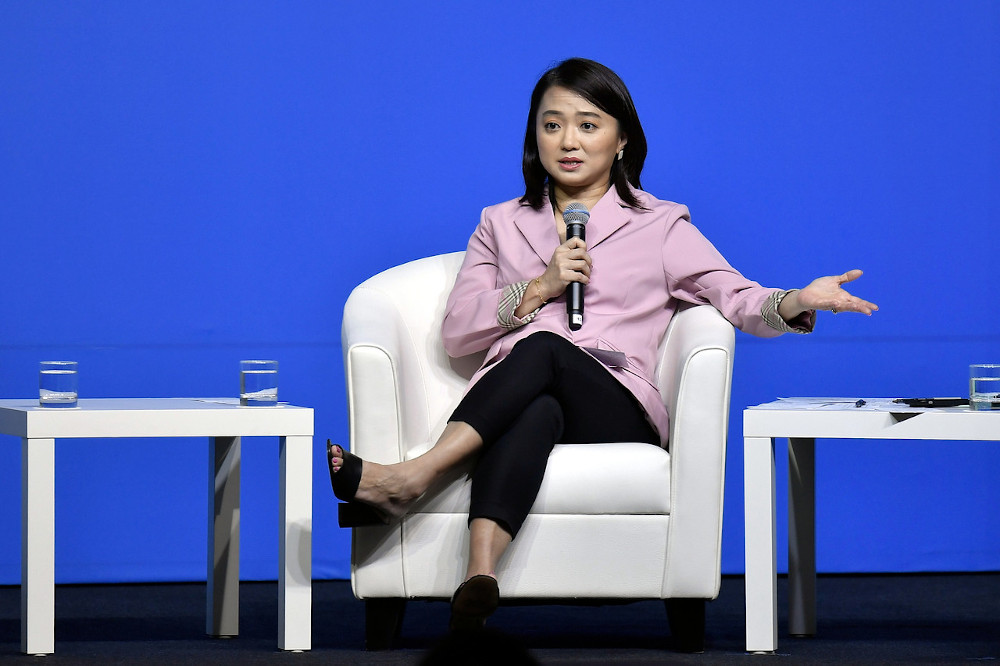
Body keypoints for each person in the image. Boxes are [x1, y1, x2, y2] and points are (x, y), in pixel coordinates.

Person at [328, 57, 878, 632]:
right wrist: (540, 286)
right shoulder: (500, 222)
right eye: (552, 123)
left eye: (589, 124)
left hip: (617, 404)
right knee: (534, 409)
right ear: (533, 135)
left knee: (542, 345)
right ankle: (479, 575)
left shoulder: (661, 225)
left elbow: (736, 298)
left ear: (621, 141)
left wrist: (797, 300)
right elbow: (458, 330)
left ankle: (413, 477)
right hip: (523, 390)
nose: (568, 140)